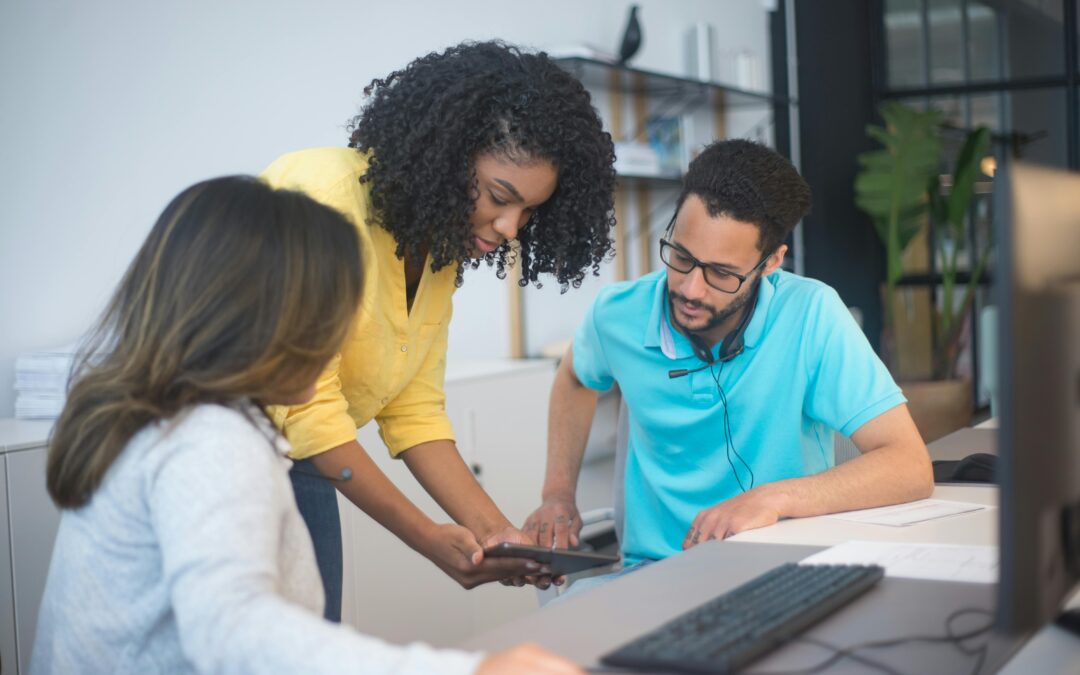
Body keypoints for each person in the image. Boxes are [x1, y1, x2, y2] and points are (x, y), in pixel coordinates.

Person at [32, 176, 582, 675]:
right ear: (259, 317)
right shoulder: (211, 445)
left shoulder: (168, 422)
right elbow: (234, 632)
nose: (343, 338)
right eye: (333, 313)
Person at [260, 40, 616, 618]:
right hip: (228, 456)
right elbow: (307, 411)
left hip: (302, 458)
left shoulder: (438, 249)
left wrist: (499, 534)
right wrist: (427, 537)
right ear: (447, 155)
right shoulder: (321, 198)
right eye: (500, 197)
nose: (508, 227)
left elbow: (413, 409)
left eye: (527, 213)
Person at [524, 139, 935, 590]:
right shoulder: (617, 314)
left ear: (771, 262)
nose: (691, 289)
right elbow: (575, 377)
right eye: (681, 257)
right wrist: (557, 494)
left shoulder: (812, 313)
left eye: (721, 273)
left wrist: (773, 498)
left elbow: (909, 464)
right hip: (655, 574)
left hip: (788, 572)